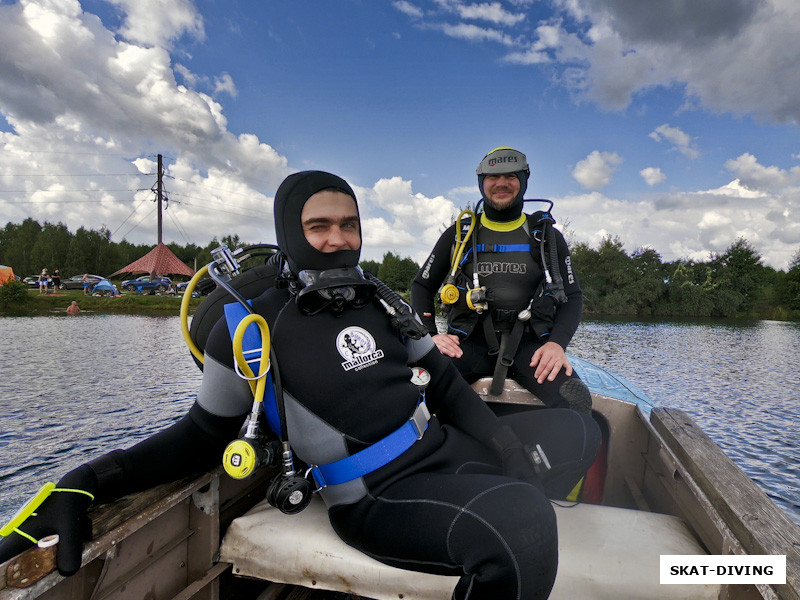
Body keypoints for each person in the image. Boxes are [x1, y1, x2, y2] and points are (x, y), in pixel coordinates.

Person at [0, 170, 600, 600]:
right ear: (290, 229)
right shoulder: (248, 328)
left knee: (584, 427)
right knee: (522, 525)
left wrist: (507, 448)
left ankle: (494, 488)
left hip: (439, 447)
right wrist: (89, 480)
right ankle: (499, 514)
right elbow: (200, 437)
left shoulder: (378, 299)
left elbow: (444, 385)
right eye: (319, 227)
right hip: (373, 494)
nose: (339, 239)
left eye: (348, 224)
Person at [411, 147, 591, 412]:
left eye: (511, 176)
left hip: (531, 346)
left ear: (524, 179)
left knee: (576, 401)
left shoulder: (547, 237)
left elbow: (573, 297)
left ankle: (533, 451)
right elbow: (421, 286)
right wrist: (429, 336)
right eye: (493, 177)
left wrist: (557, 344)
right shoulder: (459, 233)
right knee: (414, 394)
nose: (502, 183)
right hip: (466, 342)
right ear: (482, 182)